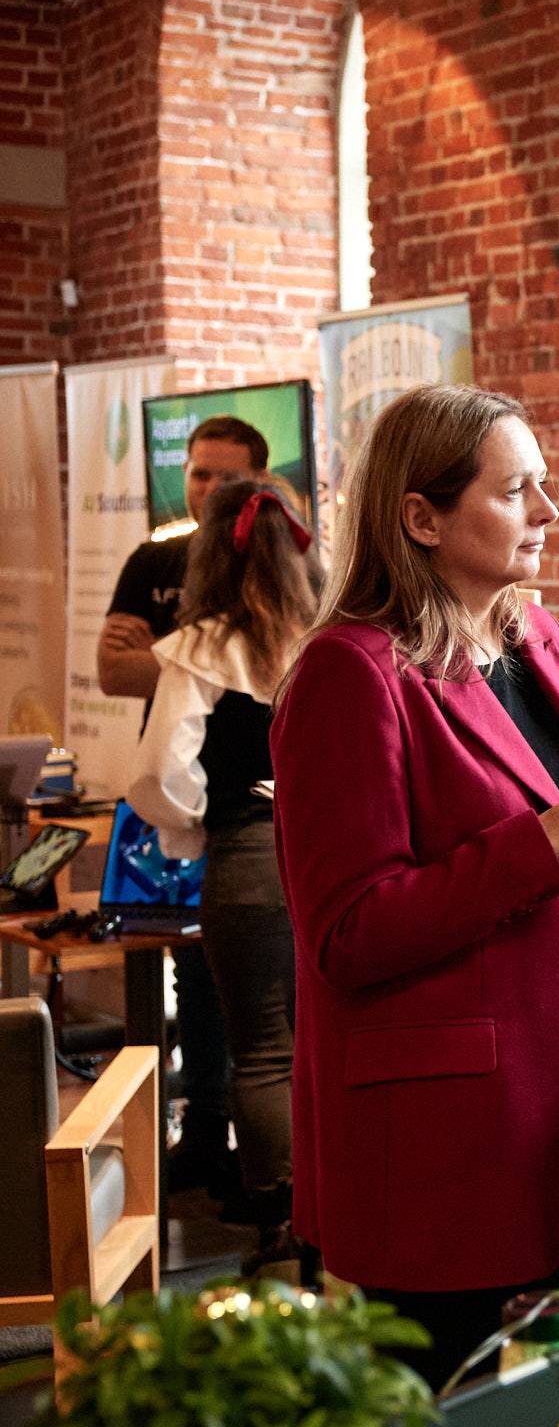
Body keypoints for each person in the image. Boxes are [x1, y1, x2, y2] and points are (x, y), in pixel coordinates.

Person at [270, 384, 559, 1387]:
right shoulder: (349, 674)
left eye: (543, 484)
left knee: (547, 1425)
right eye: (515, 491)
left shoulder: (533, 638)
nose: (549, 510)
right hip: (441, 1146)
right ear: (421, 517)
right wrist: (557, 834)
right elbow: (348, 932)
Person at [127, 474, 324, 1275]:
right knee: (323, 1043)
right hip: (333, 854)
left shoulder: (202, 646)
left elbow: (162, 773)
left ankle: (281, 1227)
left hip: (248, 854)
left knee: (266, 1050)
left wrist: (191, 828)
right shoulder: (331, 638)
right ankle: (330, 1219)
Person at [98, 414, 263, 1201]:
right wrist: (201, 668)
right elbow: (111, 672)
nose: (208, 488)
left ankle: (258, 1166)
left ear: (256, 482)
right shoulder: (153, 560)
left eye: (226, 476)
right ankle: (202, 1133)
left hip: (243, 807)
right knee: (191, 973)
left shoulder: (273, 567)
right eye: (199, 472)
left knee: (257, 997)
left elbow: (155, 668)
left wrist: (167, 662)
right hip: (171, 801)